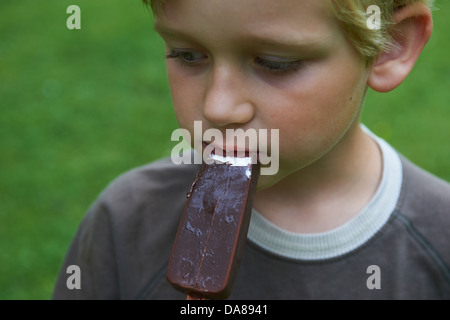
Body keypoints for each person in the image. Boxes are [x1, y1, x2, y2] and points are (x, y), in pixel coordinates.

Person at [53, 0, 450, 299]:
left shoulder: (439, 241)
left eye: (274, 62)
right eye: (187, 54)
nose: (218, 107)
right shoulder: (126, 224)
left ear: (390, 44)